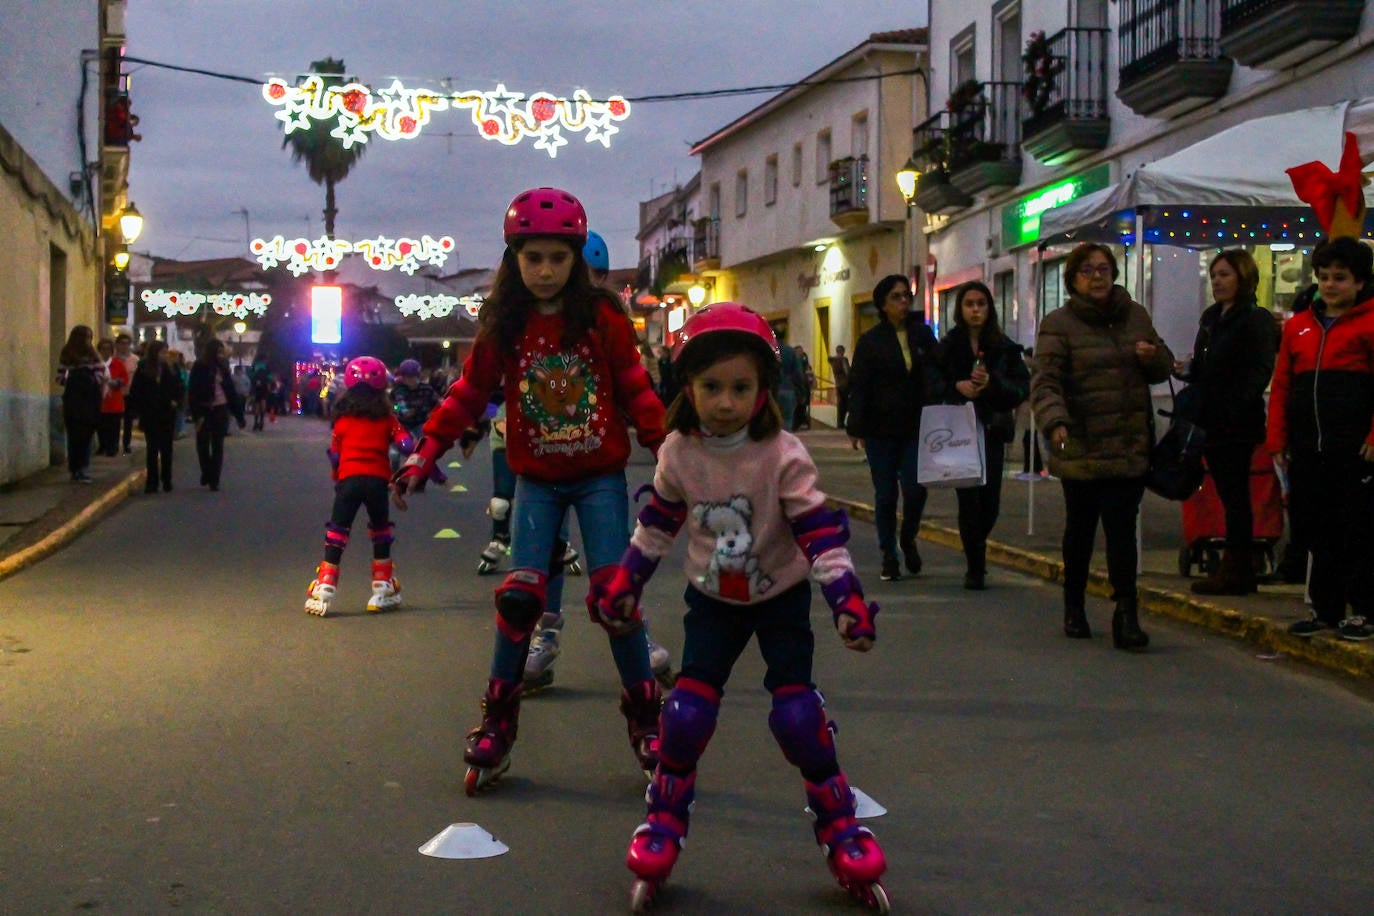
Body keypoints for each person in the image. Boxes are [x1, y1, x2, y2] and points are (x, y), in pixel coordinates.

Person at [597, 302, 887, 912]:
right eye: (711, 387)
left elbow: (819, 535)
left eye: (741, 387)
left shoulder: (781, 453)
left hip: (779, 597)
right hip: (713, 601)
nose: (725, 402)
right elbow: (656, 526)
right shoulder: (678, 451)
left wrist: (845, 600)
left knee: (798, 719)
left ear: (763, 389)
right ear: (687, 386)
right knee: (685, 717)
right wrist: (627, 580)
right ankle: (663, 822)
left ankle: (840, 825)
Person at [392, 187, 668, 795]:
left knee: (613, 599)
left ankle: (647, 722)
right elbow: (468, 393)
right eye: (532, 257)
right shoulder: (507, 324)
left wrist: (669, 448)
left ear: (576, 260)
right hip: (537, 481)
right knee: (520, 599)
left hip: (599, 477)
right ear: (513, 258)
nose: (544, 270)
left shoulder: (601, 318)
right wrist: (424, 451)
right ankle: (498, 721)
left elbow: (634, 386)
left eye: (557, 258)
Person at [1031, 243, 1173, 650]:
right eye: (1088, 270)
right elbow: (1046, 379)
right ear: (1073, 278)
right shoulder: (1059, 323)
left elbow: (1161, 369)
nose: (1098, 276)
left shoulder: (1135, 316)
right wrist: (1055, 420)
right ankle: (1074, 603)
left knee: (1122, 531)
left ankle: (1126, 612)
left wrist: (1152, 356)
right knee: (1080, 530)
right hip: (1081, 443)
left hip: (1127, 442)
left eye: (1104, 269)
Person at [1268, 237, 1374, 640]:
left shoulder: (1370, 323)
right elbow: (1282, 384)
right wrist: (1277, 437)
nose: (1331, 285)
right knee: (1316, 528)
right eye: (1325, 277)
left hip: (1355, 446)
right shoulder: (1299, 326)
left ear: (1360, 282)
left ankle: (1363, 609)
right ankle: (1326, 608)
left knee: (1359, 529)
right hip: (1308, 445)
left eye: (1340, 278)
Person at [1174, 249, 1278, 596]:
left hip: (1237, 422)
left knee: (1235, 496)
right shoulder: (1212, 318)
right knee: (1225, 493)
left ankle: (1238, 567)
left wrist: (1232, 405)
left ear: (1243, 278)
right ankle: (1234, 565)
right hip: (1210, 418)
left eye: (1225, 275)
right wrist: (1188, 371)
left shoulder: (1255, 319)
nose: (1217, 281)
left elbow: (1259, 370)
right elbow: (1205, 366)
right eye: (1214, 275)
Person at [930, 281, 1030, 590]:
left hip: (992, 431)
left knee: (990, 502)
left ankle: (976, 545)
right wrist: (956, 387)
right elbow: (930, 384)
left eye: (981, 304)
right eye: (970, 304)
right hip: (959, 432)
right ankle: (976, 565)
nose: (976, 310)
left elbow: (1020, 389)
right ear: (960, 309)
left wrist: (993, 383)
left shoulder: (1005, 347)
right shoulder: (947, 347)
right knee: (969, 500)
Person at [845, 273, 937, 581]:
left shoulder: (922, 335)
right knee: (885, 494)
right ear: (883, 305)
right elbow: (859, 386)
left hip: (914, 426)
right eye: (896, 297)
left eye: (906, 297)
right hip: (880, 430)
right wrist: (856, 425)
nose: (903, 302)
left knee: (914, 489)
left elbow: (938, 369)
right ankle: (888, 553)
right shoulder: (871, 342)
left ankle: (908, 537)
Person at [304, 357, 410, 617]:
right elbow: (406, 444)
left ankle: (326, 585)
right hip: (377, 481)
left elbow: (335, 454)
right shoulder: (387, 418)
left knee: (338, 533)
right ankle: (382, 586)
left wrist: (336, 476)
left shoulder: (342, 421)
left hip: (349, 481)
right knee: (380, 532)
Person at [187, 337, 246, 491]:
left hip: (220, 409)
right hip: (204, 409)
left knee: (218, 444)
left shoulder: (223, 368)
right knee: (202, 444)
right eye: (218, 352)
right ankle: (206, 470)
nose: (221, 355)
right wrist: (196, 415)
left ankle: (215, 479)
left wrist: (239, 416)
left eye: (222, 352)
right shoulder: (199, 367)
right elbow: (193, 391)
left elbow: (231, 392)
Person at [127, 340, 184, 494]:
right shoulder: (144, 367)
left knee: (167, 448)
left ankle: (167, 479)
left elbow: (179, 387)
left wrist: (176, 402)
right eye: (161, 352)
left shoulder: (172, 368)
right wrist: (138, 410)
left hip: (167, 412)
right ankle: (152, 481)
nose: (164, 356)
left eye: (166, 352)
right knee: (152, 448)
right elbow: (136, 390)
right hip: (150, 413)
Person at [56, 325, 105, 483]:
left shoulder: (91, 355)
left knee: (82, 434)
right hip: (78, 399)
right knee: (78, 435)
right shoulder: (70, 353)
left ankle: (79, 468)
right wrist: (76, 380)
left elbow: (100, 375)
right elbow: (60, 377)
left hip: (86, 398)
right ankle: (78, 468)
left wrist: (86, 380)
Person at [389, 358, 440, 468]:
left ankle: (419, 469)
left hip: (420, 421)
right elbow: (394, 404)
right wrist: (397, 409)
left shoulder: (426, 389)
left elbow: (437, 404)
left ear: (418, 376)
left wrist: (432, 413)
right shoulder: (398, 390)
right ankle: (394, 469)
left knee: (424, 444)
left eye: (412, 377)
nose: (410, 380)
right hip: (402, 423)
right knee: (396, 448)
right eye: (407, 377)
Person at [95, 337, 129, 457]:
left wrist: (113, 382)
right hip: (100, 400)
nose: (106, 352)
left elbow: (125, 379)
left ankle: (112, 447)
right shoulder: (96, 365)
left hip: (114, 400)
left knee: (114, 426)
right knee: (101, 426)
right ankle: (102, 445)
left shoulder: (117, 364)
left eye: (108, 349)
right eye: (103, 349)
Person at [114, 333, 139, 454]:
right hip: (115, 393)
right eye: (121, 344)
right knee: (115, 420)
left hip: (130, 393)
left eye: (126, 344)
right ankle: (113, 443)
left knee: (128, 420)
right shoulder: (113, 359)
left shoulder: (135, 360)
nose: (124, 346)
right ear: (117, 345)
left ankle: (126, 443)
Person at [828, 343, 851, 429]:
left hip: (838, 384)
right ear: (842, 351)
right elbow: (847, 372)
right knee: (847, 403)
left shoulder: (833, 361)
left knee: (841, 404)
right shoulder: (843, 359)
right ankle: (846, 421)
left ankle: (840, 422)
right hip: (845, 384)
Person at [793, 345, 814, 430]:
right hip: (796, 387)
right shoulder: (794, 362)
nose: (801, 353)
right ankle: (797, 422)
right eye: (799, 352)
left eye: (801, 352)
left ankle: (802, 421)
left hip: (804, 386)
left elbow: (809, 372)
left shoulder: (804, 361)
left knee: (803, 405)